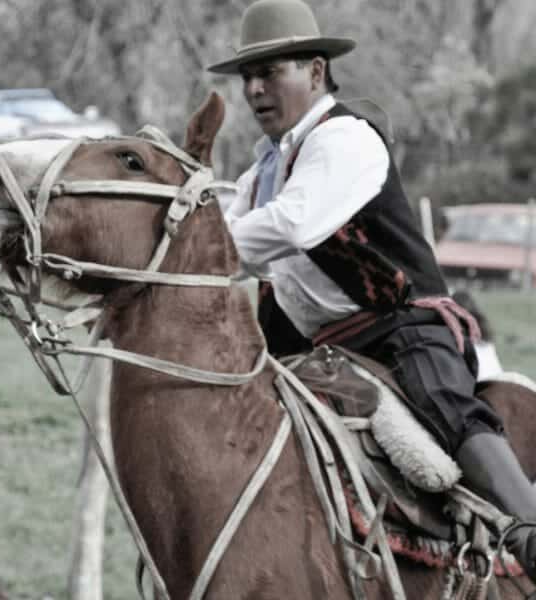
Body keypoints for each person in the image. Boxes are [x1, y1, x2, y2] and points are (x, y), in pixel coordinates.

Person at [208, 0, 536, 581]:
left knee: (443, 403)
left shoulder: (346, 139)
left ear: (314, 71)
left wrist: (194, 245)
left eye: (271, 73)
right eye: (249, 78)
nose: (256, 89)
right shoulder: (260, 169)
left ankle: (529, 529)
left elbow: (292, 225)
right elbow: (227, 232)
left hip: (399, 323)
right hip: (312, 338)